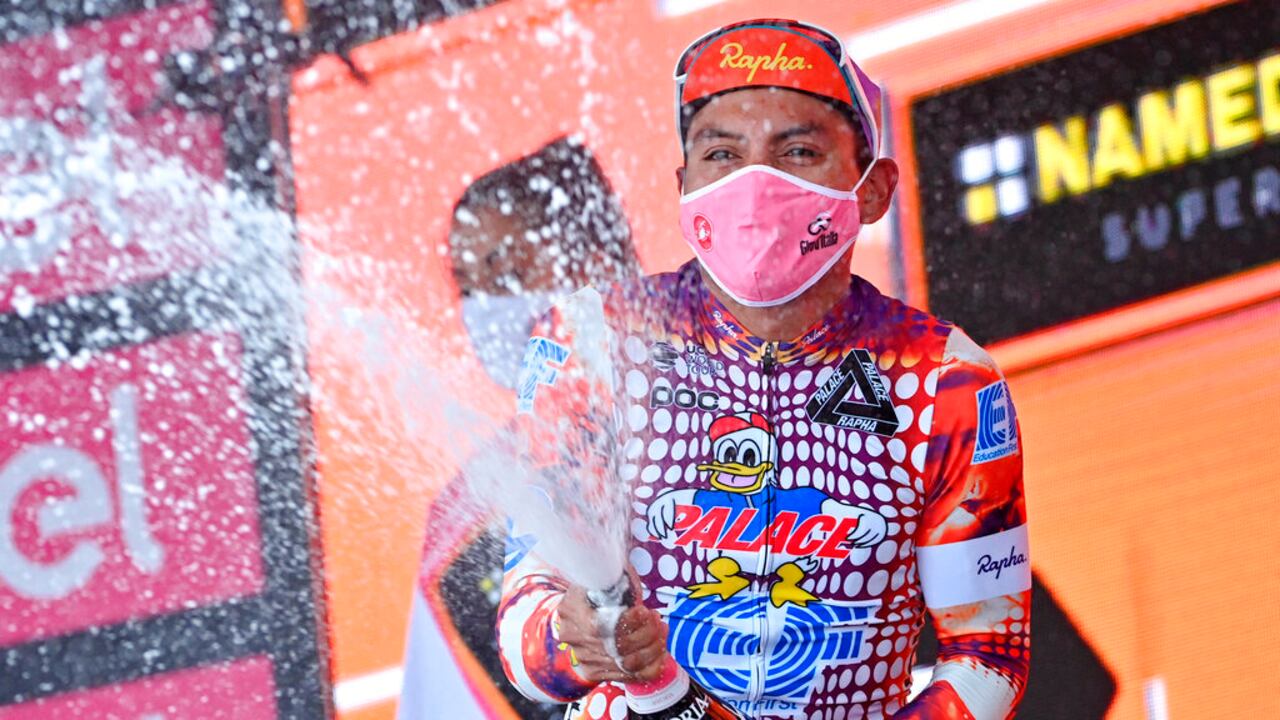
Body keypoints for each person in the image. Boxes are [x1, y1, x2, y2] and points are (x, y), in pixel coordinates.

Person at [498, 19, 1031, 720]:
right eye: (722, 152)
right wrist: (566, 642)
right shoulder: (593, 341)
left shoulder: (945, 380)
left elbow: (990, 653)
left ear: (872, 190)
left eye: (799, 149)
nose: (755, 184)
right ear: (684, 185)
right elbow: (521, 640)